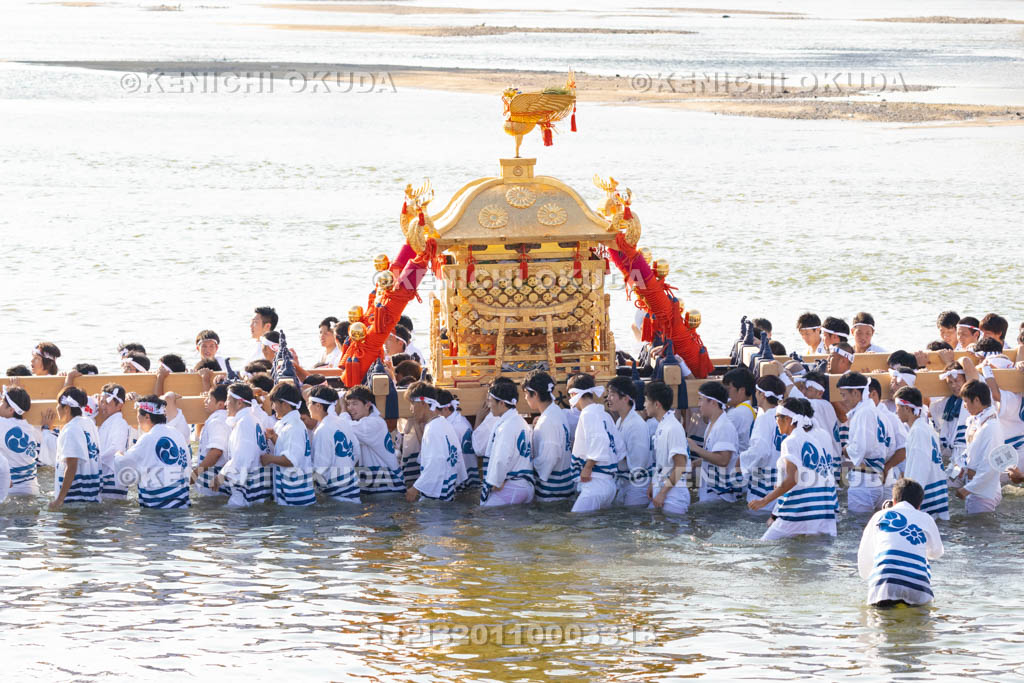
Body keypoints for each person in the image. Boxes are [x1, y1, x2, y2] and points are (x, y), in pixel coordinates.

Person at [750, 397, 838, 539]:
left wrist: (764, 501)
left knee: (763, 549)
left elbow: (792, 480)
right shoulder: (814, 439)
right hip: (824, 513)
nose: (776, 422)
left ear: (787, 419)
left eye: (777, 417)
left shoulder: (790, 441)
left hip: (800, 512)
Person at [857, 478, 944, 607]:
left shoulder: (879, 516)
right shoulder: (926, 518)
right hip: (917, 583)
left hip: (884, 582)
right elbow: (936, 553)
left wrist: (868, 577)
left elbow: (865, 556)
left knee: (881, 621)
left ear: (894, 500)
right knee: (919, 622)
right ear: (919, 505)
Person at [113, 395, 191, 509]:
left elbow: (125, 466)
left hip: (159, 509)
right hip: (182, 502)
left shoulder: (148, 438)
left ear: (147, 417)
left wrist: (118, 455)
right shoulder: (176, 433)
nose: (137, 419)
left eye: (138, 415)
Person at [893, 387, 949, 520]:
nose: (896, 411)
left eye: (898, 407)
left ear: (907, 408)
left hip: (926, 502)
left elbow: (920, 470)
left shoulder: (918, 431)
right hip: (936, 496)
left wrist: (908, 505)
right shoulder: (925, 428)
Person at [404, 381, 465, 502]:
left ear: (423, 403)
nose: (411, 409)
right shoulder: (444, 423)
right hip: (447, 492)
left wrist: (415, 488)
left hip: (436, 496)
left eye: (412, 403)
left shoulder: (432, 428)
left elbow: (435, 464)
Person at [213, 383, 273, 506]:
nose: (225, 404)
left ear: (239, 403)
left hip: (247, 492)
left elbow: (243, 458)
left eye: (228, 400)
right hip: (259, 487)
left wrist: (221, 476)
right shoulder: (253, 419)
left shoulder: (243, 423)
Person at [568, 373, 620, 513]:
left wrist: (588, 467)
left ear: (574, 394)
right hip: (608, 483)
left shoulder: (588, 413)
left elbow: (600, 441)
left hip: (595, 483)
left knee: (578, 527)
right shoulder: (604, 414)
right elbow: (619, 447)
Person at [480, 378, 535, 507]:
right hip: (524, 485)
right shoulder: (520, 421)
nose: (489, 405)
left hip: (511, 486)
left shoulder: (506, 426)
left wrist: (496, 482)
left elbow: (501, 459)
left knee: (486, 519)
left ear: (502, 404)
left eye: (491, 401)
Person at [953, 380, 1004, 514]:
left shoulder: (990, 427)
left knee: (979, 531)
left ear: (976, 400)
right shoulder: (978, 420)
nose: (964, 406)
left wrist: (968, 488)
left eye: (965, 401)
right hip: (979, 487)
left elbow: (991, 466)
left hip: (983, 491)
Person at [261, 382, 316, 506]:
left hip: (295, 496)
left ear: (284, 404)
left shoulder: (293, 427)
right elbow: (288, 449)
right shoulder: (289, 423)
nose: (273, 407)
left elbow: (291, 460)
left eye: (274, 403)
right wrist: (274, 438)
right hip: (292, 491)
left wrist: (269, 459)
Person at [838, 372, 886, 513]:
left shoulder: (864, 412)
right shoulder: (872, 410)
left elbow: (860, 448)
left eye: (843, 394)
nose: (843, 400)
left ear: (855, 393)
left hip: (864, 481)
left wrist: (844, 450)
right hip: (875, 478)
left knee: (859, 529)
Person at [523, 371, 575, 502]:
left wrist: (528, 466)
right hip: (564, 484)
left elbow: (550, 458)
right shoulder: (555, 412)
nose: (525, 398)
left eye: (526, 394)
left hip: (552, 490)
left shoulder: (548, 421)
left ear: (534, 394)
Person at [345, 385, 406, 496]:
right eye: (348, 404)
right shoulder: (369, 421)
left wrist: (343, 411)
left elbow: (343, 426)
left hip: (387, 487)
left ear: (368, 405)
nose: (350, 408)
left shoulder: (373, 423)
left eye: (354, 404)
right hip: (380, 484)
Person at [688, 381, 742, 503]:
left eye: (701, 400)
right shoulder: (714, 423)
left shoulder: (724, 426)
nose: (699, 404)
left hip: (721, 495)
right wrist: (697, 463)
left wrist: (696, 448)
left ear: (713, 402)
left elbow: (723, 460)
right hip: (712, 491)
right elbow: (714, 455)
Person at [49, 387, 102, 509]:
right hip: (91, 495)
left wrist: (59, 500)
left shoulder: (71, 429)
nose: (57, 408)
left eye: (59, 405)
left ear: (67, 408)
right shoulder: (89, 423)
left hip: (75, 499)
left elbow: (72, 465)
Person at [739, 376, 786, 513]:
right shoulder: (787, 416)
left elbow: (760, 451)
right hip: (784, 480)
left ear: (762, 394)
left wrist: (741, 460)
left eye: (756, 391)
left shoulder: (765, 419)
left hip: (765, 483)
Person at [605, 375, 653, 507]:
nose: (608, 398)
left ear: (625, 398)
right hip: (626, 482)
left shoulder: (636, 425)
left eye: (612, 394)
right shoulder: (621, 421)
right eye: (608, 394)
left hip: (638, 485)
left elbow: (639, 462)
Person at [309, 384, 361, 504]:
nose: (308, 407)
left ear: (318, 405)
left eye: (309, 403)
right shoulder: (343, 422)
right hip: (352, 484)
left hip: (337, 493)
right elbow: (356, 450)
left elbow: (322, 466)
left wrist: (317, 491)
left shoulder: (322, 429)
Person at [644, 381, 690, 514]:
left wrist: (663, 493)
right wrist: (654, 484)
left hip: (673, 495)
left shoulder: (673, 427)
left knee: (672, 533)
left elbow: (680, 466)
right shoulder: (662, 425)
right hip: (664, 489)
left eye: (647, 401)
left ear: (657, 404)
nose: (644, 405)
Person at [0, 385, 41, 496]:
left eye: (2, 402)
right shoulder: (31, 428)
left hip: (10, 492)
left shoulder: (2, 424)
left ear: (10, 410)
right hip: (33, 490)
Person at [192, 384, 232, 497]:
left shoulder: (217, 421)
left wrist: (195, 474)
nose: (205, 400)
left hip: (213, 479)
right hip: (221, 476)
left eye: (209, 398)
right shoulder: (225, 418)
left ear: (220, 404)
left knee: (211, 512)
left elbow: (216, 452)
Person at [96, 383, 132, 501]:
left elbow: (116, 450)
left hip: (111, 476)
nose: (103, 406)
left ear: (120, 405)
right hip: (106, 474)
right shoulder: (109, 421)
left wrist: (94, 462)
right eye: (102, 402)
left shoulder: (119, 423)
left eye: (107, 403)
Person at [438, 389, 478, 490]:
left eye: (436, 410)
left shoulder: (453, 427)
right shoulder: (460, 419)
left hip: (461, 478)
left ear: (446, 409)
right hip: (470, 473)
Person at [931, 363, 969, 471]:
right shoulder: (948, 402)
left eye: (957, 381)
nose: (953, 385)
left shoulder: (973, 399)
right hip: (954, 454)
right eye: (950, 382)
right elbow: (929, 407)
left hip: (967, 451)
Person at [722, 367, 756, 452]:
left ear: (741, 390)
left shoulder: (735, 414)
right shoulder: (747, 409)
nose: (724, 393)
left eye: (728, 389)